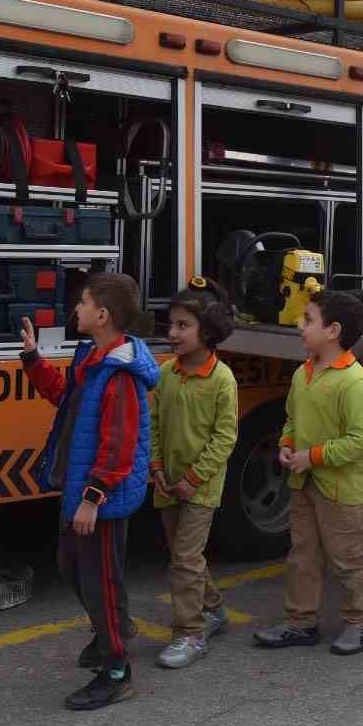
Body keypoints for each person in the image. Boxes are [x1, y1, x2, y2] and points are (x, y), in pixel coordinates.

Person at [21, 272, 160, 709]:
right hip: (80, 493)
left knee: (100, 583)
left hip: (98, 501)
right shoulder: (94, 360)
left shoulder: (118, 375)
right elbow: (66, 399)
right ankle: (113, 630)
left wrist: (93, 498)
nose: (74, 310)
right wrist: (32, 360)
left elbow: (118, 447)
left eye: (80, 304)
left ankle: (116, 669)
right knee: (70, 568)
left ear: (101, 316)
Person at [255, 291, 363, 655]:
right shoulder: (302, 373)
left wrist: (313, 457)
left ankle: (360, 623)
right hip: (303, 482)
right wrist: (287, 443)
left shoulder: (354, 381)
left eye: (308, 319)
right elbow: (293, 418)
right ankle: (300, 622)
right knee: (302, 555)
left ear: (333, 331)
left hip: (341, 490)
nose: (300, 325)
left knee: (347, 558)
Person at [148, 278, 239, 669]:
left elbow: (224, 439)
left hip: (199, 489)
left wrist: (193, 479)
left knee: (184, 560)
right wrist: (155, 467)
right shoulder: (167, 373)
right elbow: (152, 422)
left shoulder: (222, 379)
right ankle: (214, 608)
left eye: (183, 325)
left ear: (208, 330)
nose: (173, 333)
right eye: (171, 324)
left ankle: (190, 633)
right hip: (167, 482)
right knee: (184, 555)